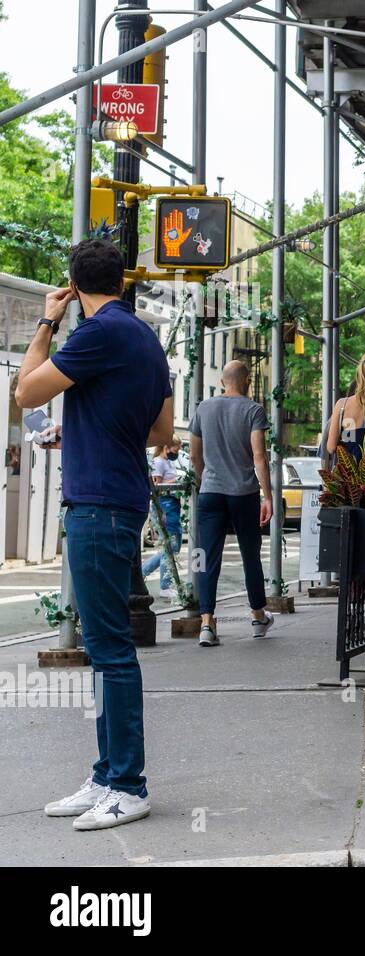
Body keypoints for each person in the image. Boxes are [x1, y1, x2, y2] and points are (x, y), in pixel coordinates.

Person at [16, 238, 172, 830]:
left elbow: (24, 391)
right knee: (106, 646)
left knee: (108, 649)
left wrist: (47, 321)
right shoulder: (143, 337)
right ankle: (107, 773)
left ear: (76, 288)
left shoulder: (97, 332)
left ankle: (128, 784)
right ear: (125, 280)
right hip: (120, 495)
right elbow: (160, 429)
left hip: (98, 502)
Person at [190, 360, 274, 648]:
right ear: (247, 380)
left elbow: (194, 456)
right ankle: (257, 616)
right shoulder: (253, 410)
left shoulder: (203, 408)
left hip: (210, 492)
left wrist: (206, 481)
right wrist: (268, 496)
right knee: (250, 554)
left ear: (224, 381)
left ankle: (207, 623)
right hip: (243, 493)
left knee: (205, 556)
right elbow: (259, 457)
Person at [141, 435, 184, 598]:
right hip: (165, 505)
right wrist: (176, 480)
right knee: (170, 546)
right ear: (166, 446)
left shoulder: (167, 462)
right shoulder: (158, 462)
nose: (178, 451)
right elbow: (156, 486)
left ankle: (142, 572)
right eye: (176, 448)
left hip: (172, 505)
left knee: (173, 546)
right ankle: (164, 586)